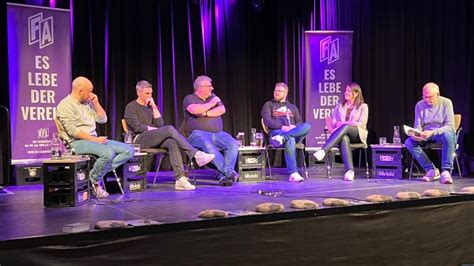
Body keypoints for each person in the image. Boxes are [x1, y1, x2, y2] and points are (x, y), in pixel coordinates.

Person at [124, 80, 215, 191]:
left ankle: (180, 179)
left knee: (171, 142)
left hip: (153, 137)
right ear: (139, 93)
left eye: (151, 93)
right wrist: (157, 130)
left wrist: (153, 106)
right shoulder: (131, 107)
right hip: (139, 140)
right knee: (169, 129)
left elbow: (160, 124)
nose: (150, 96)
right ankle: (195, 153)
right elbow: (138, 127)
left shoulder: (150, 107)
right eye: (147, 94)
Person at [57, 77, 134, 198]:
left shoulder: (88, 103)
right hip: (77, 142)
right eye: (89, 91)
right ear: (81, 91)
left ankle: (93, 176)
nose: (91, 94)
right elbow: (72, 131)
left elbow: (103, 120)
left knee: (128, 150)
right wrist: (95, 140)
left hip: (94, 140)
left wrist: (96, 103)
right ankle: (96, 182)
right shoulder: (65, 105)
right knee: (108, 153)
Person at [183, 75, 239, 186]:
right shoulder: (189, 98)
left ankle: (224, 176)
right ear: (200, 88)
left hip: (218, 134)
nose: (212, 88)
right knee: (209, 146)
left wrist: (206, 113)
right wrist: (211, 104)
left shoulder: (212, 96)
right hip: (197, 134)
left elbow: (222, 110)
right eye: (209, 86)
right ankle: (229, 172)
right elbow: (195, 110)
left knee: (232, 143)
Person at [313, 82, 369, 181]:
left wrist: (345, 123)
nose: (346, 93)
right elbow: (334, 121)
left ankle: (323, 150)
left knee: (346, 127)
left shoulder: (363, 106)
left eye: (349, 91)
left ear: (356, 93)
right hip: (343, 133)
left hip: (357, 134)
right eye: (345, 91)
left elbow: (361, 123)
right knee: (344, 137)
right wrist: (340, 124)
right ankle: (350, 172)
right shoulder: (339, 106)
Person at [404, 82, 456, 184]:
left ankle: (446, 171)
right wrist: (417, 134)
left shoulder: (446, 102)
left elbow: (450, 126)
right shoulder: (419, 105)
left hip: (441, 132)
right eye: (425, 97)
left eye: (430, 97)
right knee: (409, 142)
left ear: (438, 94)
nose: (428, 100)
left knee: (448, 136)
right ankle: (431, 170)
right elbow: (418, 124)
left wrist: (433, 132)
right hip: (426, 134)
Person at [261, 82, 311, 182]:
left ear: (286, 93)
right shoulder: (268, 105)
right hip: (276, 134)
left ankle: (284, 137)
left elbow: (299, 122)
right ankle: (293, 173)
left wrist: (293, 127)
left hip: (291, 133)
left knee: (307, 126)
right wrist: (283, 127)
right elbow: (266, 120)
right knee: (291, 140)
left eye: (279, 91)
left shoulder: (292, 107)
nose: (276, 93)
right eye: (275, 91)